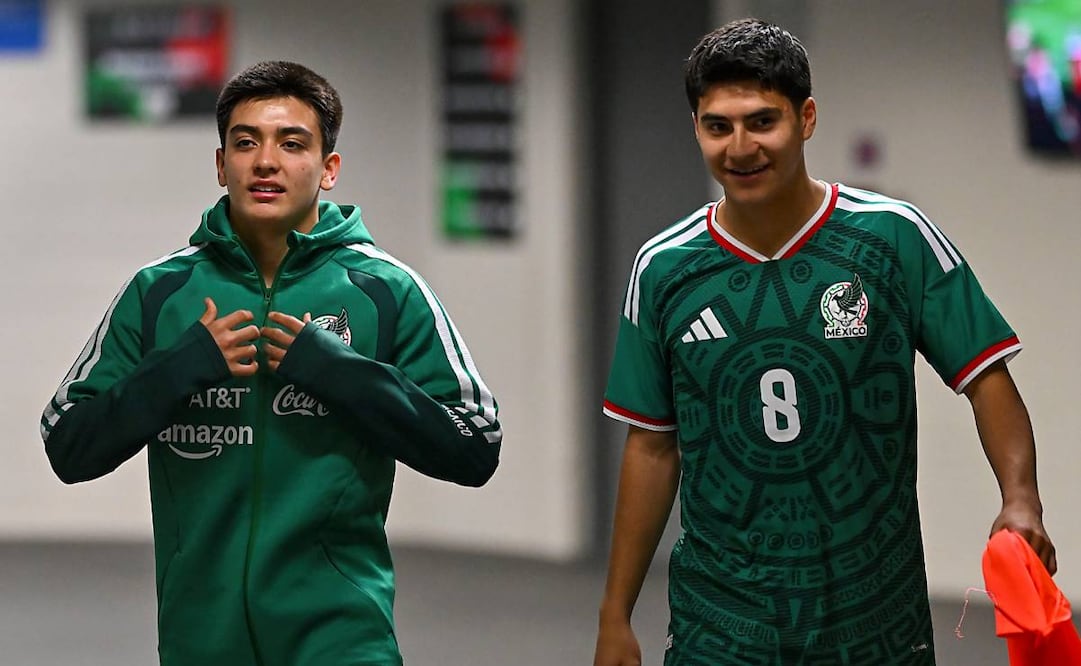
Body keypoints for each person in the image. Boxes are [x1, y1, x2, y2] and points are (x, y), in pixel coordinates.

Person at [593, 18, 1055, 666]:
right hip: (718, 628)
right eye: (716, 125)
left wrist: (1020, 499)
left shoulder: (893, 239)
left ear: (805, 118)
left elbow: (985, 379)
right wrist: (614, 616)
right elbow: (649, 446)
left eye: (761, 121)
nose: (739, 146)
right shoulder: (662, 268)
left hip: (875, 626)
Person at [40, 61, 502, 666]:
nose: (265, 161)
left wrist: (342, 374)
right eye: (245, 142)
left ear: (328, 168)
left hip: (342, 640)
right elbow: (68, 446)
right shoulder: (158, 292)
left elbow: (474, 448)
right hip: (199, 642)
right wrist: (180, 369)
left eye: (292, 143)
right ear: (220, 164)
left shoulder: (387, 290)